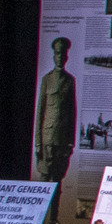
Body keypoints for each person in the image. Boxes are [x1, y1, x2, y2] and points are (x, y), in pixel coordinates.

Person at [33, 35, 76, 182]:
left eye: (63, 54)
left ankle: (55, 206)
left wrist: (70, 142)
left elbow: (72, 113)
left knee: (58, 181)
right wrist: (38, 142)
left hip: (62, 140)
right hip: (47, 140)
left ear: (66, 57)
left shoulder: (70, 81)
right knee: (44, 178)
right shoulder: (47, 79)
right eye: (57, 54)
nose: (60, 57)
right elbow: (40, 112)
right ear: (53, 56)